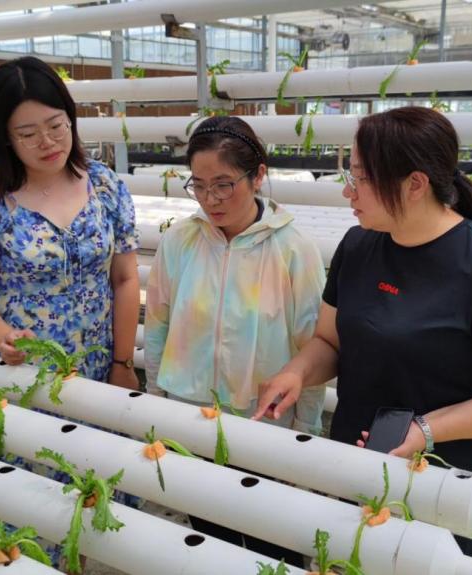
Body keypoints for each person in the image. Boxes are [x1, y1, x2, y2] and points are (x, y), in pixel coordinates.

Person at [253, 106, 472, 562]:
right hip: (357, 465)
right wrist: (297, 372)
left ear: (415, 184)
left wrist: (426, 430)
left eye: (360, 177)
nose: (347, 190)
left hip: (442, 481)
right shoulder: (358, 246)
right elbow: (330, 342)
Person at [0, 56, 141, 552]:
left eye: (56, 126)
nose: (48, 142)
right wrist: (2, 336)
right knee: (26, 511)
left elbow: (124, 280)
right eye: (28, 134)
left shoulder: (104, 185)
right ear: (4, 138)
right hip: (23, 376)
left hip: (97, 371)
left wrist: (122, 364)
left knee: (92, 501)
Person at [144, 116, 326, 566]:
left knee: (274, 546)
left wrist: (306, 433)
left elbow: (313, 345)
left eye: (224, 185)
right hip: (190, 418)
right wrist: (155, 401)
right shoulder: (180, 241)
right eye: (199, 185)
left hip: (264, 426)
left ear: (258, 175)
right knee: (210, 541)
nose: (211, 199)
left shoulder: (294, 249)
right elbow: (159, 323)